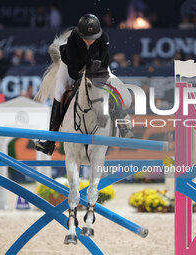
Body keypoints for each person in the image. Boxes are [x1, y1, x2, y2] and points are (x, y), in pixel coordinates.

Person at [35, 14, 132, 156]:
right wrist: (83, 79)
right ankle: (50, 142)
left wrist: (97, 80)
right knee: (59, 93)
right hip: (70, 65)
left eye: (92, 38)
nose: (89, 41)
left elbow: (103, 64)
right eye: (86, 38)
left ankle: (123, 127)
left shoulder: (103, 39)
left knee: (111, 86)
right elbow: (73, 71)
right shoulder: (74, 40)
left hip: (96, 68)